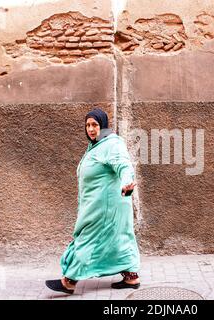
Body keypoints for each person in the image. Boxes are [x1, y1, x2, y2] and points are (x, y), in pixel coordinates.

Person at [45, 108, 141, 294]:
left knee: (88, 238)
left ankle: (69, 281)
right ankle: (131, 277)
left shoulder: (111, 144)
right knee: (119, 239)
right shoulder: (97, 145)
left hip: (105, 207)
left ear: (103, 126)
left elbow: (123, 164)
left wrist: (127, 182)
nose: (90, 129)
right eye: (88, 125)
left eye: (95, 125)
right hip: (105, 204)